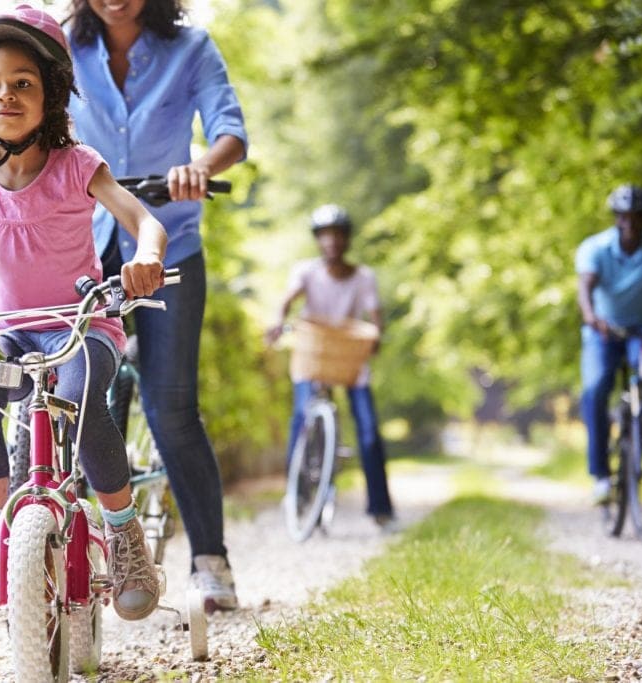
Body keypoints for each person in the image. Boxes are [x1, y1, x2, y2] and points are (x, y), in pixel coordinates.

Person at [0, 5, 169, 621]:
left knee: (80, 405)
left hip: (83, 327)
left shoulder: (78, 163)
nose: (5, 96)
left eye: (23, 83)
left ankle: (126, 537)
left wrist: (146, 259)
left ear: (51, 92)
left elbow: (143, 222)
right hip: (11, 336)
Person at [63, 0, 248, 613]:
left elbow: (230, 131)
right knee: (77, 397)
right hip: (84, 249)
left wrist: (199, 166)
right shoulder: (61, 46)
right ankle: (67, 552)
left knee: (171, 408)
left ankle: (209, 560)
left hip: (171, 243)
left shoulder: (190, 49)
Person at [265, 204, 396, 529]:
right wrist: (278, 321)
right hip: (314, 354)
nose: (332, 242)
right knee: (301, 416)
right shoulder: (306, 272)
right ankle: (296, 495)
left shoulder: (363, 277)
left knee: (368, 432)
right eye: (325, 236)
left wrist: (377, 334)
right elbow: (287, 300)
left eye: (338, 235)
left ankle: (380, 509)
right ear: (318, 241)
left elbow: (374, 313)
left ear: (347, 240)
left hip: (348, 355)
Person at [576, 183, 642, 504]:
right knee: (596, 388)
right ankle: (601, 476)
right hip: (602, 330)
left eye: (637, 217)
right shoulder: (596, 248)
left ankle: (637, 444)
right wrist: (592, 317)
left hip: (641, 331)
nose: (630, 223)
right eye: (624, 216)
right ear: (616, 218)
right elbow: (585, 288)